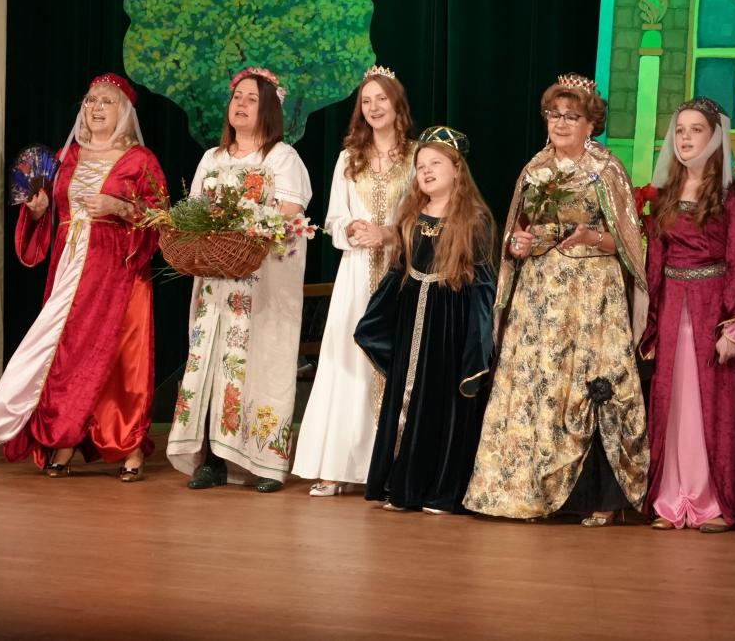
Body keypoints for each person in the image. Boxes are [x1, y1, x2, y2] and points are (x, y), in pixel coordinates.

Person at [463, 73, 649, 526]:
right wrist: (518, 243)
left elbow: (631, 242)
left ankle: (597, 498)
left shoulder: (606, 169)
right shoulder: (534, 169)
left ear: (591, 124)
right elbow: (516, 233)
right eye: (554, 114)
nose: (561, 123)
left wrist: (590, 237)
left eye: (572, 116)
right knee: (535, 383)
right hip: (540, 294)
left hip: (590, 295)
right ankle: (526, 488)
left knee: (586, 382)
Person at [0, 73, 166, 482]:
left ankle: (129, 444)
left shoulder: (141, 161)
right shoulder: (67, 157)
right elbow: (51, 212)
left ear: (124, 113)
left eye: (106, 101)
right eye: (90, 101)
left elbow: (160, 217)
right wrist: (37, 209)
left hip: (119, 270)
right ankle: (65, 436)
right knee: (67, 352)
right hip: (70, 268)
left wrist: (118, 207)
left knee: (121, 357)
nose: (96, 108)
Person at [166, 67, 313, 493]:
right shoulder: (212, 158)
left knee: (261, 362)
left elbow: (290, 212)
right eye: (237, 97)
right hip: (216, 282)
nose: (242, 104)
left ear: (268, 110)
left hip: (262, 284)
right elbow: (193, 210)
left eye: (252, 98)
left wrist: (242, 225)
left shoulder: (281, 158)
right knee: (212, 361)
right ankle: (213, 461)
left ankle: (267, 462)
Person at [355, 126, 496, 514]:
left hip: (449, 324)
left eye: (436, 163)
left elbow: (485, 285)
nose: (427, 171)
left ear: (457, 169)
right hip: (411, 321)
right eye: (420, 167)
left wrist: (478, 344)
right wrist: (375, 321)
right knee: (407, 398)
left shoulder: (475, 220)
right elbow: (396, 273)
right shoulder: (410, 217)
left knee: (442, 403)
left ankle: (441, 489)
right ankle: (402, 486)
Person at [291, 65, 415, 497]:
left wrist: (390, 234)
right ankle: (337, 465)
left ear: (397, 104)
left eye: (382, 98)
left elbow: (427, 217)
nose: (374, 107)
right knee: (348, 361)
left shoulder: (417, 156)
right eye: (367, 101)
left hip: (400, 272)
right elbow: (333, 218)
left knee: (396, 360)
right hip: (356, 273)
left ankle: (393, 465)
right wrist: (351, 228)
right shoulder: (349, 157)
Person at [637, 97, 735, 532]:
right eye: (680, 130)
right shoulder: (666, 194)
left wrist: (733, 326)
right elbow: (656, 261)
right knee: (673, 402)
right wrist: (652, 322)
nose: (685, 138)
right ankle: (671, 499)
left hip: (711, 308)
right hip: (673, 308)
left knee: (712, 403)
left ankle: (713, 502)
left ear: (715, 137)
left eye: (696, 130)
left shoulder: (731, 196)